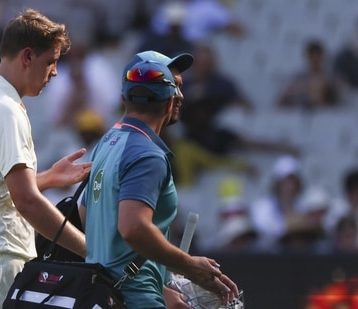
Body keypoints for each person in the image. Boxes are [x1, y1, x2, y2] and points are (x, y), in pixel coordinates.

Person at [0, 9, 91, 309]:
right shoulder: (4, 109)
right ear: (27, 56)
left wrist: (47, 178)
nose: (54, 72)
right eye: (50, 61)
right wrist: (91, 251)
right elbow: (26, 202)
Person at [79, 51, 239, 308]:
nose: (182, 95)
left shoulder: (108, 142)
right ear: (170, 99)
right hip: (136, 299)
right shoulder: (147, 154)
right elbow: (133, 228)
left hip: (101, 296)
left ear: (124, 97)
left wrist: (161, 283)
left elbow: (87, 220)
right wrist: (189, 265)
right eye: (177, 86)